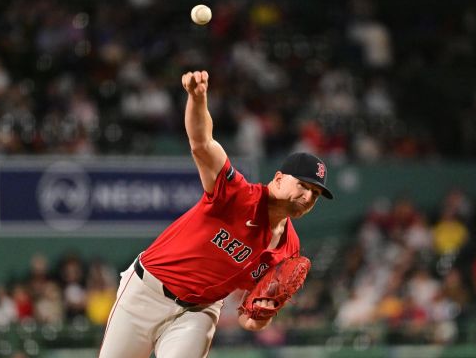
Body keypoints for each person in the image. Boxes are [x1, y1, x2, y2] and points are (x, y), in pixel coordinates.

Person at [98, 70, 333, 358]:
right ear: (279, 178)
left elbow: (250, 320)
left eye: (316, 194)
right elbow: (202, 144)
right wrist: (197, 98)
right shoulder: (238, 196)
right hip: (146, 293)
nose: (308, 196)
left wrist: (264, 312)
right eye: (303, 186)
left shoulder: (289, 249)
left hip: (199, 312)